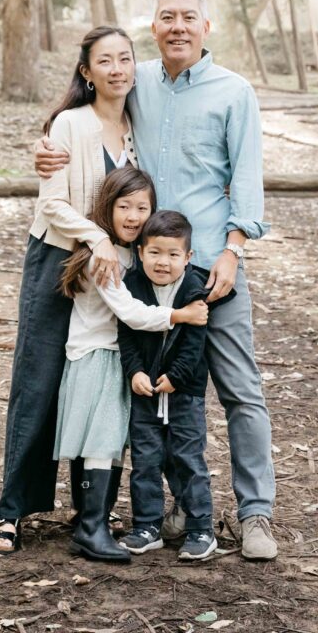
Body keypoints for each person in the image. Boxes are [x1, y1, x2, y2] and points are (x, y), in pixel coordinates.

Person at [35, 0, 277, 561]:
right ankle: (179, 507)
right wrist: (45, 149)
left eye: (189, 17)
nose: (178, 27)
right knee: (155, 390)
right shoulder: (136, 80)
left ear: (206, 27)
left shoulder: (233, 91)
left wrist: (234, 250)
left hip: (211, 267)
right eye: (167, 17)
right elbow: (88, 111)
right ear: (154, 26)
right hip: (146, 271)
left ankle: (256, 515)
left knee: (239, 390)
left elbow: (247, 178)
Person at [0, 25, 142, 555]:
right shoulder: (70, 124)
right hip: (59, 260)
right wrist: (96, 237)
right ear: (86, 71)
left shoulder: (137, 127)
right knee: (40, 379)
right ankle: (11, 513)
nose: (117, 69)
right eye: (105, 60)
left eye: (125, 58)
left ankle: (89, 509)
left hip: (112, 271)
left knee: (97, 376)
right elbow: (51, 203)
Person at [55, 171, 208, 563]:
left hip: (120, 358)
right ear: (107, 207)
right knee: (101, 441)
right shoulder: (101, 256)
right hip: (97, 353)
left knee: (114, 442)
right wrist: (180, 315)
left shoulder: (129, 254)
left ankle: (95, 520)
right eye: (124, 206)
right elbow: (130, 313)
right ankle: (91, 527)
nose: (134, 215)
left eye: (143, 207)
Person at [118, 210, 217, 562]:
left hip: (184, 393)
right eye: (155, 252)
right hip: (145, 392)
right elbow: (127, 335)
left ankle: (201, 528)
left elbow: (194, 344)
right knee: (145, 460)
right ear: (141, 252)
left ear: (187, 257)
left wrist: (177, 376)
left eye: (173, 254)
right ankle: (147, 526)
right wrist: (134, 372)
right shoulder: (133, 286)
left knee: (188, 459)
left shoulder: (193, 290)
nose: (163, 262)